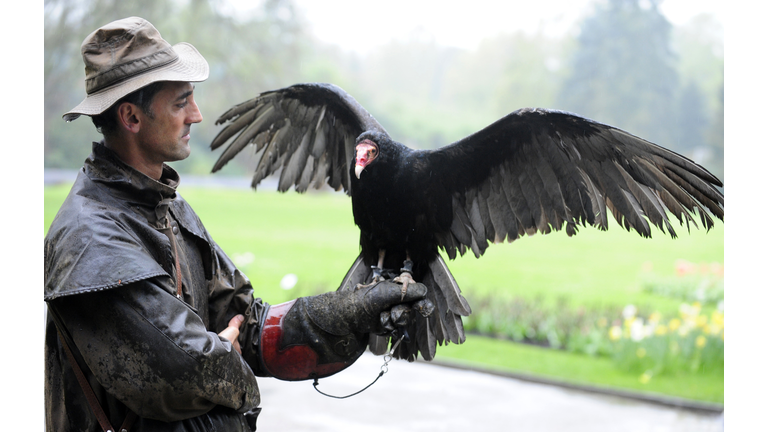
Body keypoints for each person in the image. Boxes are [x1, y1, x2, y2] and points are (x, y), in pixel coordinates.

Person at [44, 17, 426, 432]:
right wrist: (223, 353)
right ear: (132, 117)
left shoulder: (169, 209)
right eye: (180, 102)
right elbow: (182, 374)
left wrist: (351, 313)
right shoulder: (90, 238)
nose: (196, 114)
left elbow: (249, 325)